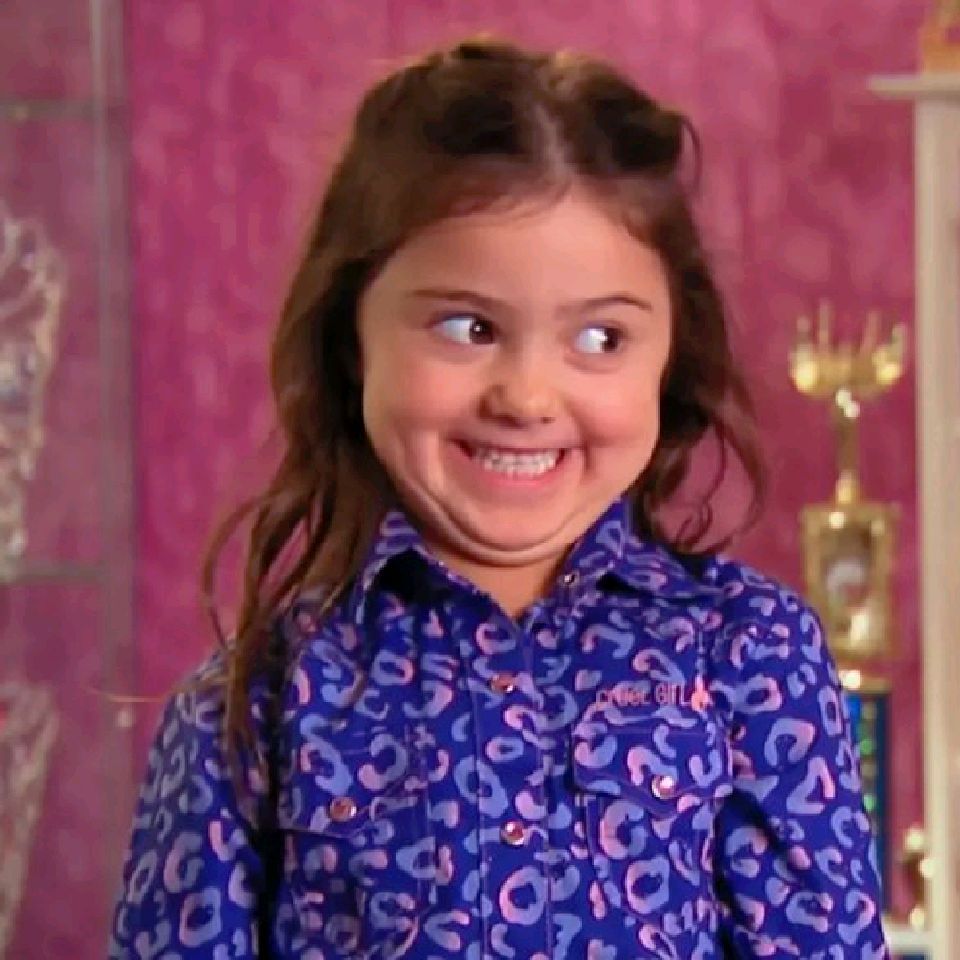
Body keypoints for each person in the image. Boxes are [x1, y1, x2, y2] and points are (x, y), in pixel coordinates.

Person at [108, 35, 890, 959]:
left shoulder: (752, 658)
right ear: (354, 338)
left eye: (600, 339)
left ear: (670, 356)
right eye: (468, 327)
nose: (526, 396)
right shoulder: (253, 705)